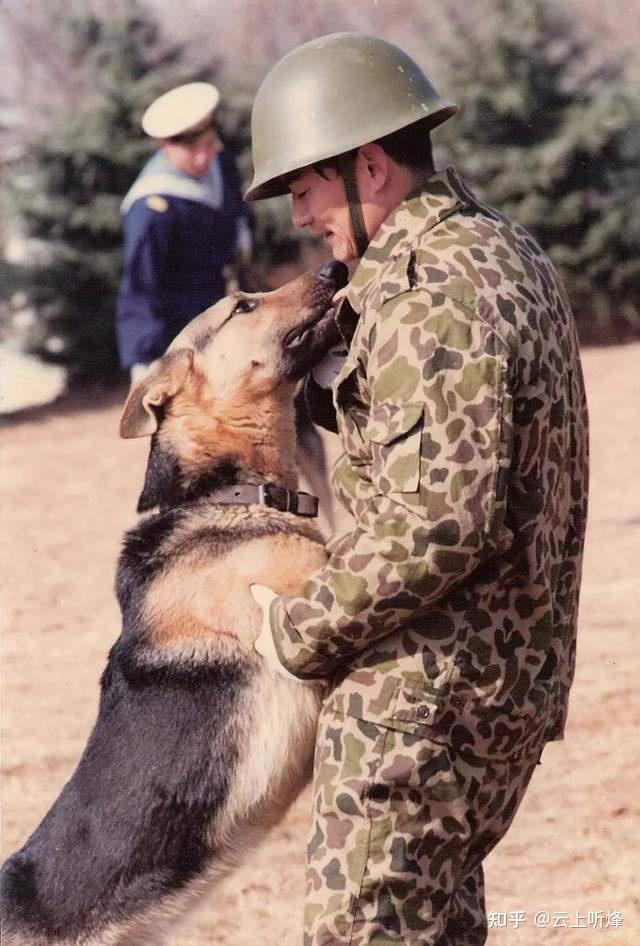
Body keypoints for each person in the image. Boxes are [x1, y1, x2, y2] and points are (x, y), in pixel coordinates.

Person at [247, 33, 589, 946]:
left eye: (307, 186)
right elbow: (438, 429)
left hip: (423, 706)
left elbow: (439, 522)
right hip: (490, 693)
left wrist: (292, 629)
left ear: (371, 164)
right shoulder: (495, 252)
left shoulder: (436, 292)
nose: (301, 215)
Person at [116, 82, 252, 380]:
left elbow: (236, 208)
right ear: (167, 147)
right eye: (193, 150)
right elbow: (141, 288)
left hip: (232, 321)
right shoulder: (153, 206)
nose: (205, 158)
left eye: (209, 145)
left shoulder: (220, 165)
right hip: (184, 341)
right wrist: (145, 360)